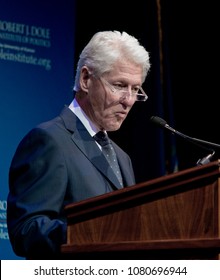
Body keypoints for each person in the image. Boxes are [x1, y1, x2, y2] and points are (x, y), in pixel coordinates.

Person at [7, 30, 151, 259]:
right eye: (120, 85)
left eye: (136, 89)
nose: (129, 100)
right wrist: (97, 231)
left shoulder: (122, 158)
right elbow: (26, 231)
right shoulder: (49, 140)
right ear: (86, 79)